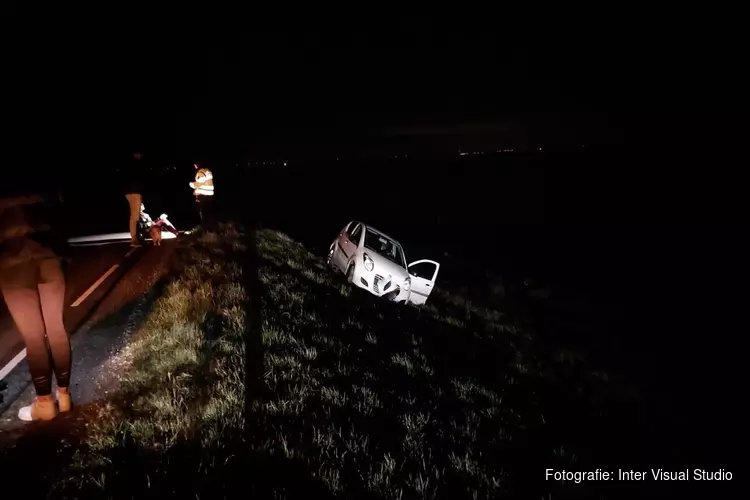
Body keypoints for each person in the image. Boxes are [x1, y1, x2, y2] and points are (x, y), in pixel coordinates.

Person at [0, 192, 72, 421]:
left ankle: (44, 403)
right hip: (47, 254)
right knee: (56, 328)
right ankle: (64, 397)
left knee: (34, 337)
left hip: (13, 261)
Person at [124, 151, 147, 247]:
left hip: (129, 192)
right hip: (135, 192)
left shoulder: (128, 164)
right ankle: (134, 239)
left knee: (134, 217)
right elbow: (140, 179)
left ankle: (136, 237)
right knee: (135, 217)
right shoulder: (136, 165)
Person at [189, 163, 216, 231]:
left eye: (195, 165)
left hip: (202, 196)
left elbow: (198, 184)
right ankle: (211, 228)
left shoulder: (200, 173)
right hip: (210, 196)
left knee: (203, 214)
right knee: (209, 213)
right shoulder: (207, 171)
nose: (194, 166)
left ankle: (205, 230)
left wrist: (191, 184)